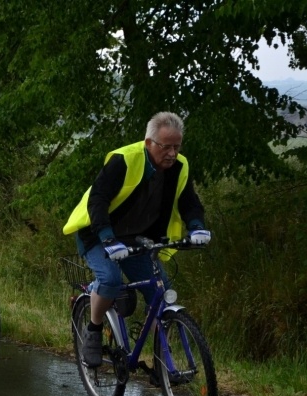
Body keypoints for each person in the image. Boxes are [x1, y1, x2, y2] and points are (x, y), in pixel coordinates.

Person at [62, 111, 211, 368]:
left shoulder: (180, 166)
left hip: (134, 237)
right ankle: (94, 330)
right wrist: (108, 239)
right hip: (97, 233)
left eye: (177, 147)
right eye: (166, 147)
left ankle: (163, 364)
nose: (172, 153)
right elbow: (98, 200)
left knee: (160, 292)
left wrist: (197, 227)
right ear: (149, 142)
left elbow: (189, 202)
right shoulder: (124, 160)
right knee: (110, 279)